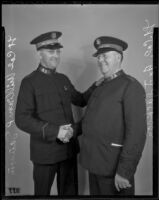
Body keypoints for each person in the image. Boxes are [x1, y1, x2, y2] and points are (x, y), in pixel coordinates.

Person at [15, 31, 98, 196]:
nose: (56, 56)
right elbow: (21, 118)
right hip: (45, 153)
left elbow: (80, 100)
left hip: (68, 151)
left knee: (69, 193)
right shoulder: (29, 82)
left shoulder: (63, 79)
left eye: (58, 51)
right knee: (42, 194)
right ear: (39, 53)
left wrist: (97, 85)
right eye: (50, 52)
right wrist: (56, 131)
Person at [79, 36, 147, 195]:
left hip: (114, 168)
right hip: (93, 163)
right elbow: (91, 121)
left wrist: (124, 171)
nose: (101, 60)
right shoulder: (101, 85)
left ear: (118, 57)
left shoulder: (131, 86)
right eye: (99, 57)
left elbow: (136, 134)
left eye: (105, 56)